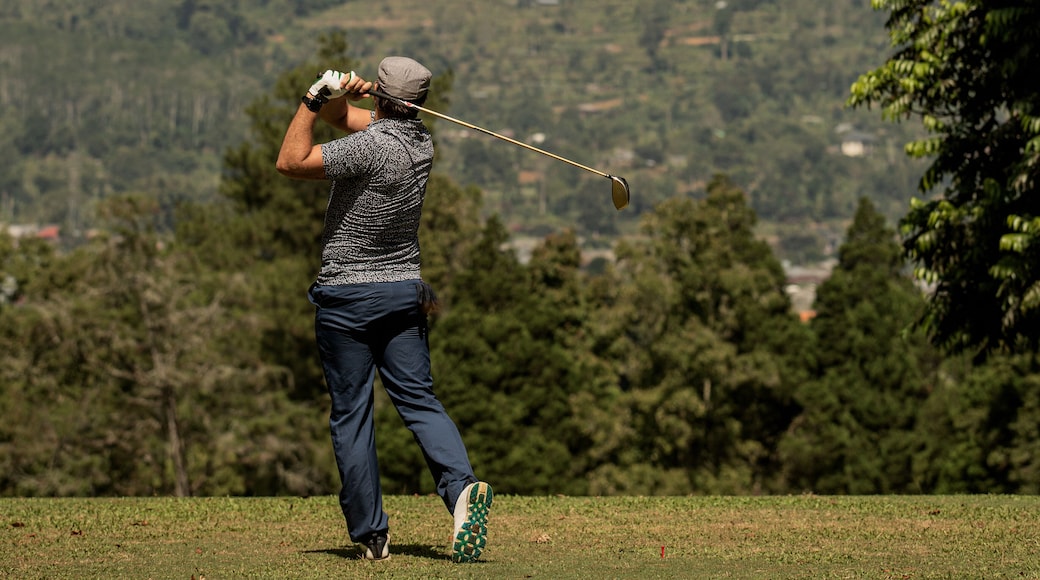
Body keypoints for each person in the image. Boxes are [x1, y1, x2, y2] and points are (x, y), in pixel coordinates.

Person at [275, 57, 492, 563]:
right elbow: (347, 123)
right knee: (419, 401)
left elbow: (289, 161)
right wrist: (342, 99)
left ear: (382, 97)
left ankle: (372, 535)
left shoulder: (371, 146)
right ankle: (461, 489)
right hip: (402, 293)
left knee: (352, 415)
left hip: (347, 298)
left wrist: (312, 98)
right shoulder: (420, 143)